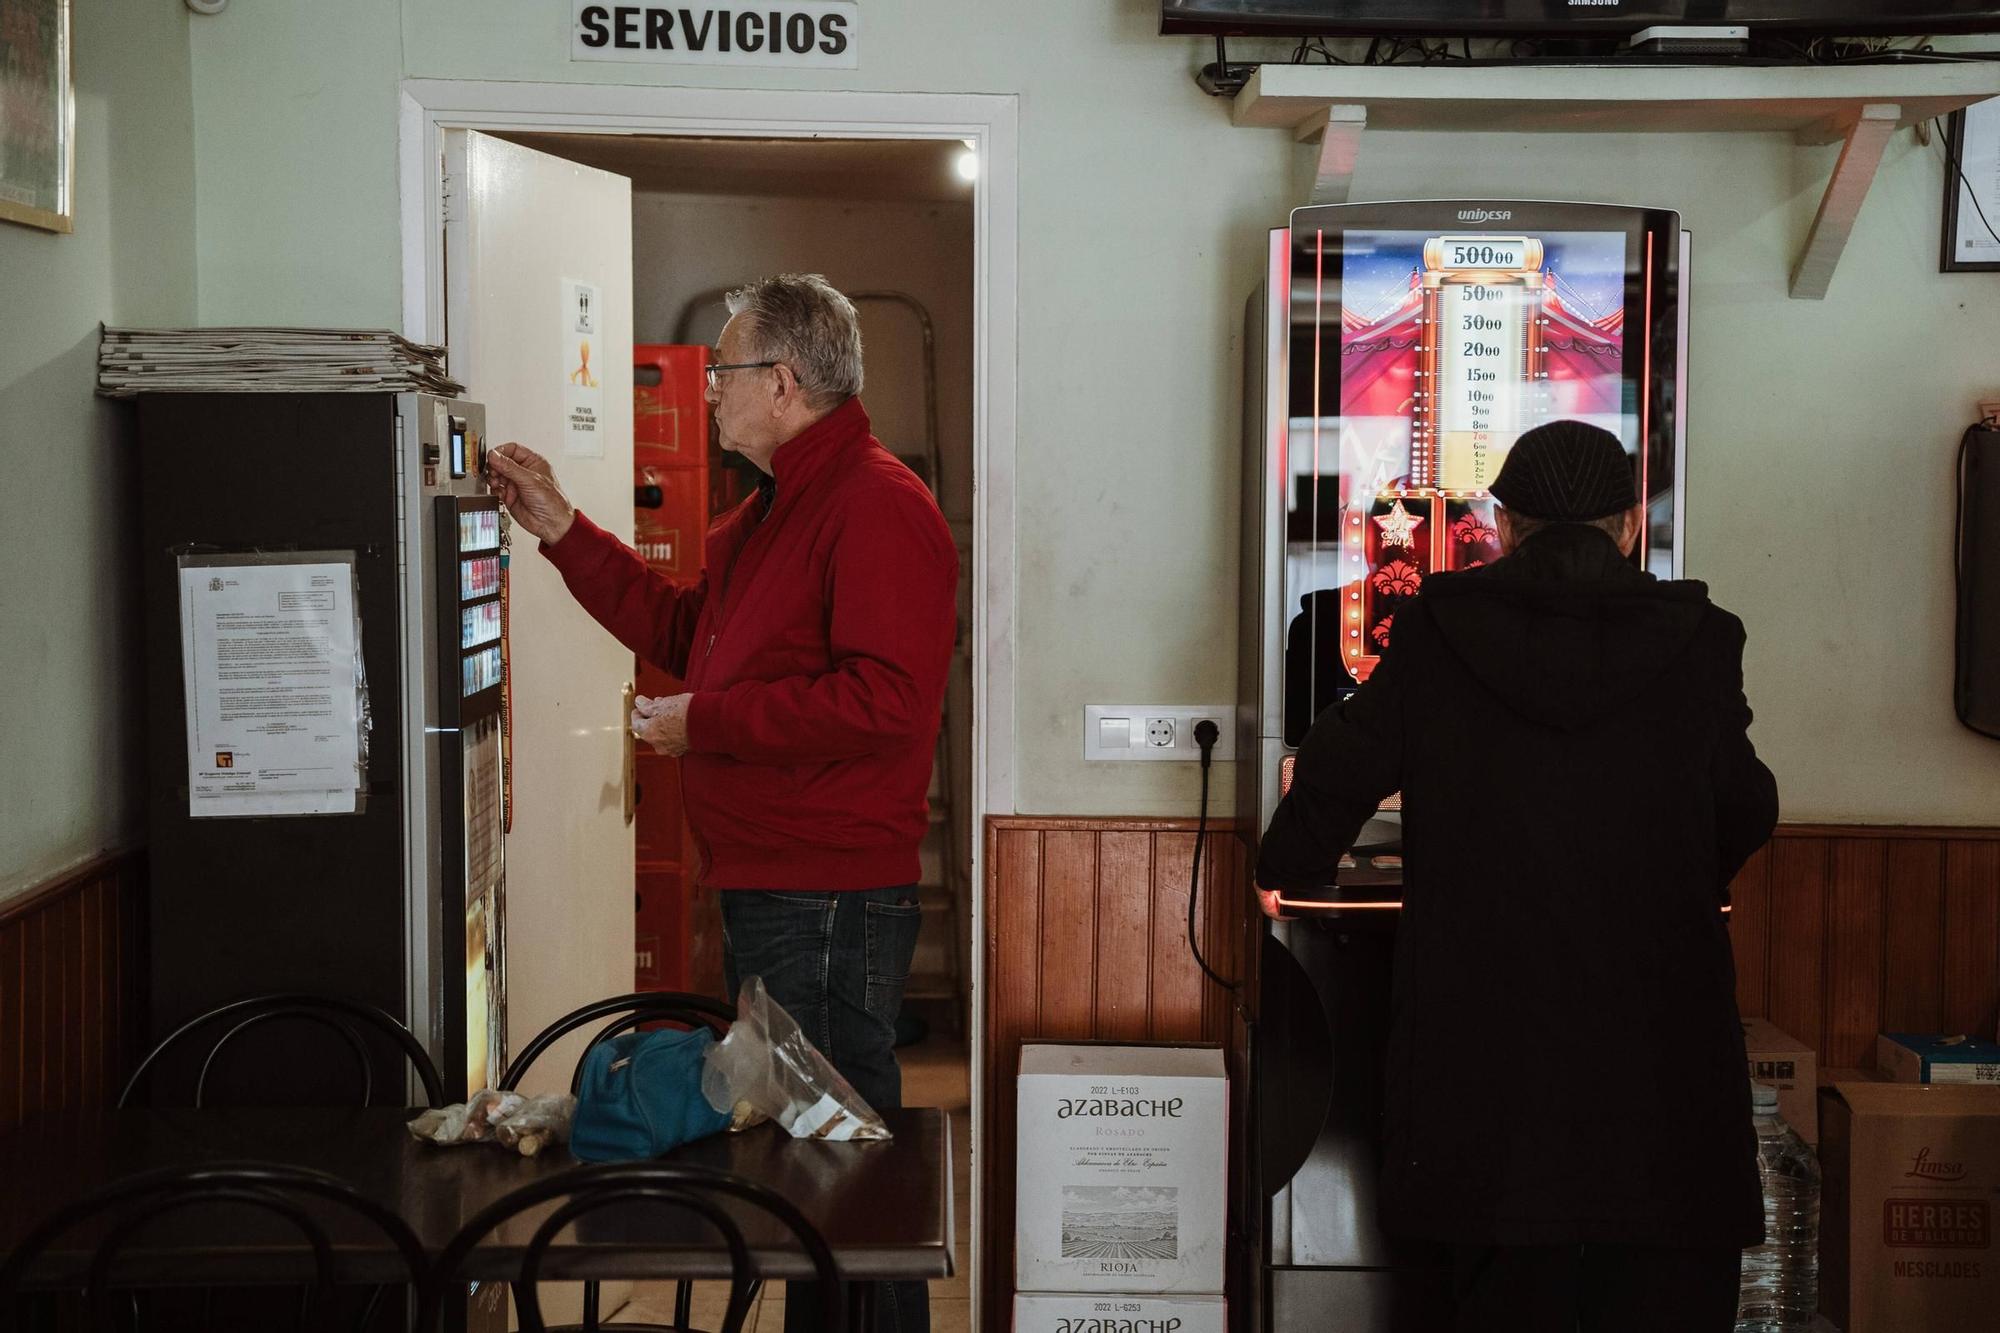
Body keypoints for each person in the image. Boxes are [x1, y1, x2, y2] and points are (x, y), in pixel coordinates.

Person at [487, 273, 956, 1333]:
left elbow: (884, 703)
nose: (706, 395)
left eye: (724, 373)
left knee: (841, 1183)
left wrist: (709, 725)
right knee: (806, 1177)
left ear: (781, 383)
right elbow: (677, 626)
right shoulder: (766, 517)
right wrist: (563, 528)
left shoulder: (878, 504)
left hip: (828, 895)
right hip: (772, 882)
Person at [1256, 420, 1779, 1333]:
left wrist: (1285, 866)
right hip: (1661, 1077)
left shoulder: (1439, 630)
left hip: (1487, 1083)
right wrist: (1687, 876)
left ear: (1502, 524)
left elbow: (1336, 772)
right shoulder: (1697, 639)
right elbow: (1746, 808)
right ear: (1628, 528)